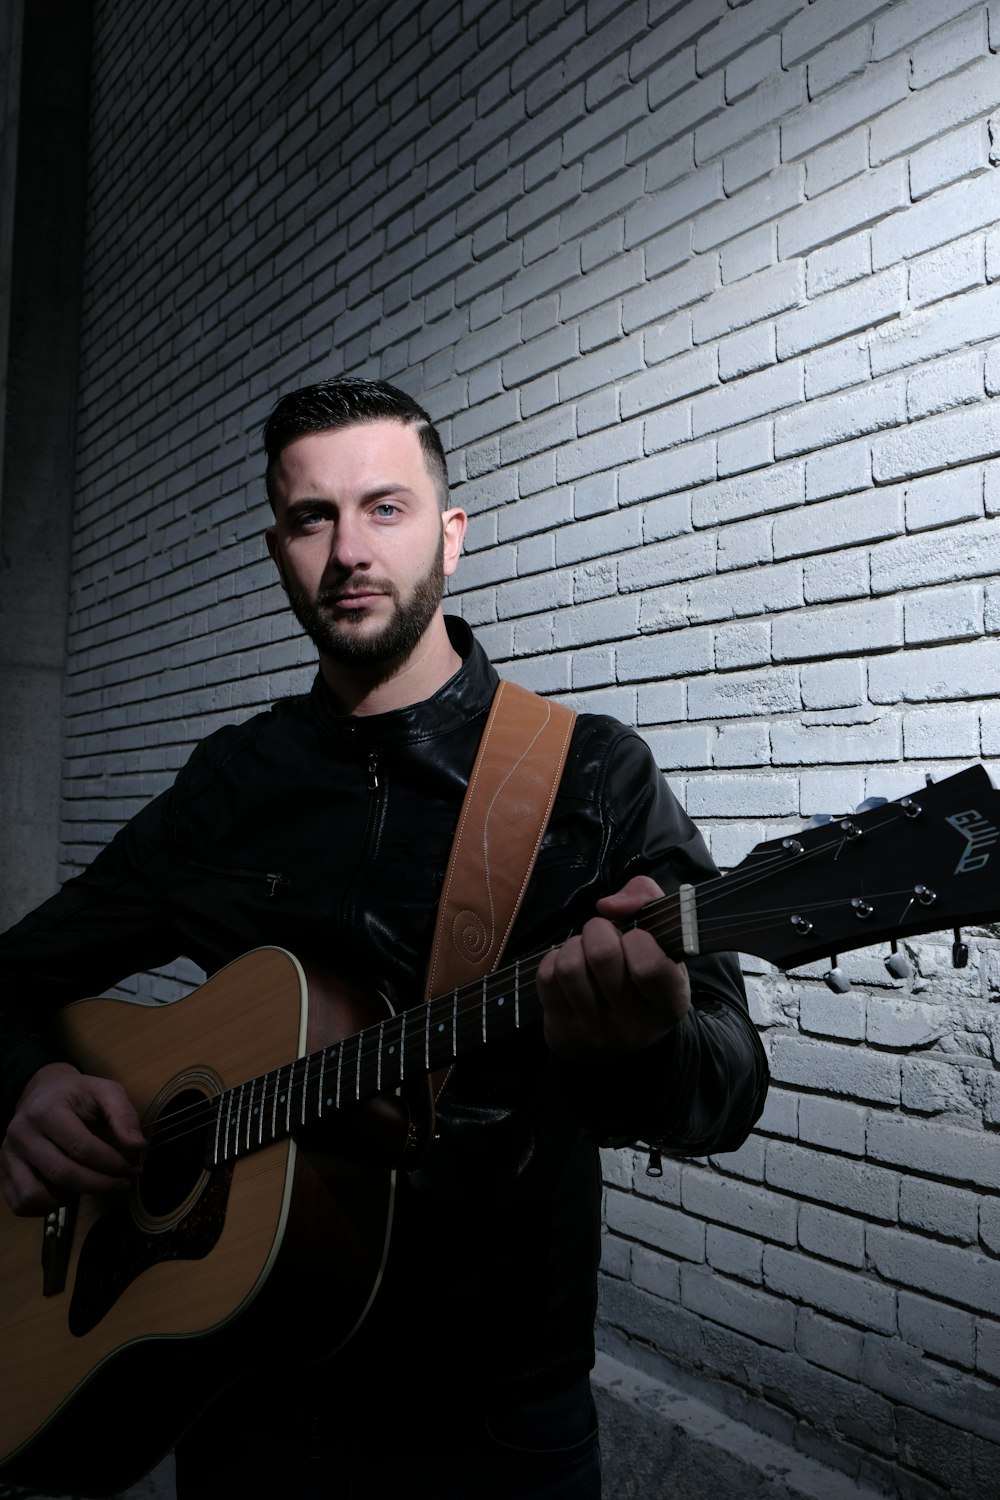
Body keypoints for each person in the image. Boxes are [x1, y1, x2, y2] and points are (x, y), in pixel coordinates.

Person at [0, 378, 769, 1498]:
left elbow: (728, 1087)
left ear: (450, 537)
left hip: (492, 1421)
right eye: (313, 518)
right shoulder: (231, 783)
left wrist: (641, 1051)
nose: (348, 550)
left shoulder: (587, 776)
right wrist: (29, 1083)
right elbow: (16, 976)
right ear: (277, 548)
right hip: (236, 1397)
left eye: (386, 508)